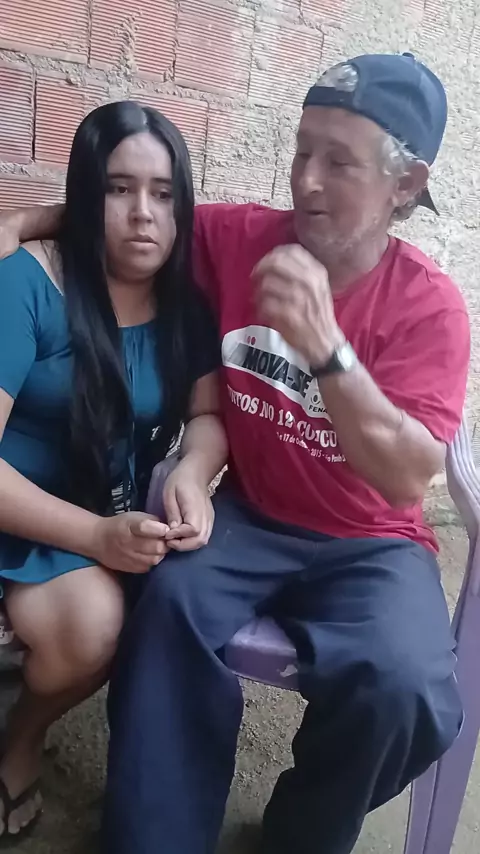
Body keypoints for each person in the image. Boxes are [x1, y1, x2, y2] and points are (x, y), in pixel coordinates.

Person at [0, 53, 470, 854]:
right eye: (302, 149)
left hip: (371, 543)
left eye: (339, 161)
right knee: (166, 609)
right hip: (249, 513)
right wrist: (25, 220)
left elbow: (405, 476)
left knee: (409, 690)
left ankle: (301, 832)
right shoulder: (241, 237)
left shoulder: (430, 308)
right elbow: (135, 213)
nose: (306, 180)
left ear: (405, 183)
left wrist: (325, 346)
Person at [0, 101, 226, 842]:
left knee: (100, 626)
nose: (142, 214)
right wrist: (97, 536)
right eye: (118, 188)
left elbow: (207, 414)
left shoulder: (185, 306)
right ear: (85, 192)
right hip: (22, 510)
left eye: (162, 193)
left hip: (100, 519)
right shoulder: (27, 282)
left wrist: (194, 468)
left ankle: (20, 737)